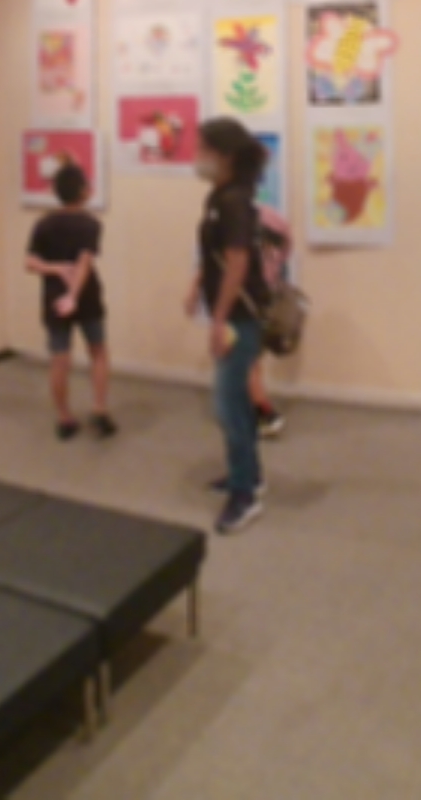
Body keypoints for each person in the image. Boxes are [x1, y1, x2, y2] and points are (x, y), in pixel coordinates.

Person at [185, 118, 270, 535]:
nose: (197, 156)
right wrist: (196, 287)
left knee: (227, 403)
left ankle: (245, 495)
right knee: (234, 399)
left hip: (241, 316)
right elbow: (214, 255)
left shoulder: (234, 201)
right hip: (231, 313)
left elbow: (238, 262)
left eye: (203, 148)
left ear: (226, 156)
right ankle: (247, 474)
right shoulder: (219, 198)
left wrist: (217, 318)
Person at [24, 163, 116, 440]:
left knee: (59, 359)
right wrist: (73, 295)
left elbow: (30, 262)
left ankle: (64, 418)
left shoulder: (44, 223)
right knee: (98, 352)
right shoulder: (90, 224)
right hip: (87, 297)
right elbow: (84, 263)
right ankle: (99, 410)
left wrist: (55, 269)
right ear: (83, 191)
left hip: (54, 298)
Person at [248, 203, 291, 439]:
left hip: (246, 298)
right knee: (253, 358)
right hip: (266, 295)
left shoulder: (239, 219)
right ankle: (256, 406)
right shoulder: (274, 218)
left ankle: (265, 413)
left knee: (246, 360)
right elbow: (286, 252)